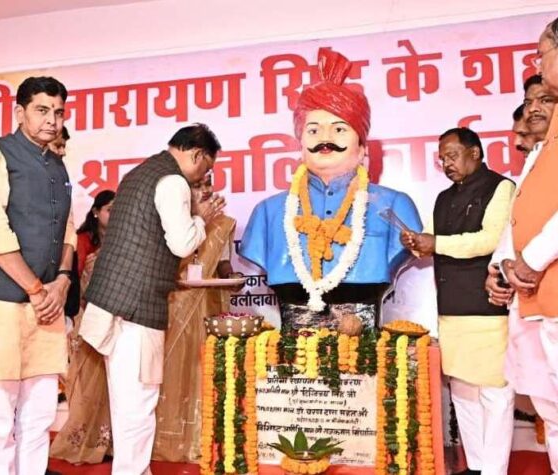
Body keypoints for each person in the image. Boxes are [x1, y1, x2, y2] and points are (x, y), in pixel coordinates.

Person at [239, 48, 421, 331]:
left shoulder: (395, 205)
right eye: (313, 130)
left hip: (363, 341)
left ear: (362, 148)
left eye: (339, 129)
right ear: (301, 146)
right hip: (293, 341)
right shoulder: (267, 213)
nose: (325, 138)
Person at [79, 123, 225, 475]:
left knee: (126, 402)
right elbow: (182, 243)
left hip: (114, 302)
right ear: (197, 155)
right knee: (138, 405)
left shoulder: (138, 173)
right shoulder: (173, 181)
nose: (203, 178)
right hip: (136, 308)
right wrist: (200, 218)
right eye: (206, 168)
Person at [0, 76, 76, 474]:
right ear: (19, 112)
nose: (52, 120)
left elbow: (67, 230)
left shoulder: (57, 163)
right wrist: (37, 289)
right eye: (42, 110)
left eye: (58, 112)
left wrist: (62, 281)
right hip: (1, 302)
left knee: (40, 414)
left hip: (47, 304)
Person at [402, 127, 515, 475]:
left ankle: (494, 469)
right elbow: (432, 241)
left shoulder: (500, 187)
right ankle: (477, 465)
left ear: (475, 153)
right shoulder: (443, 198)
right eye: (442, 159)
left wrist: (435, 243)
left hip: (487, 304)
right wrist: (417, 243)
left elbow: (489, 239)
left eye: (452, 156)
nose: (446, 163)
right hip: (451, 307)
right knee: (463, 390)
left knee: (494, 392)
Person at [487, 72, 558, 473]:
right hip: (533, 302)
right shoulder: (536, 158)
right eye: (529, 101)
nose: (533, 109)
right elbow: (516, 225)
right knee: (551, 409)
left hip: (549, 290)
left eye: (545, 99)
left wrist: (528, 261)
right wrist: (500, 268)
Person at [152, 174, 239, 462]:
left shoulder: (222, 223)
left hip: (207, 306)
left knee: (202, 366)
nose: (205, 190)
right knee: (172, 368)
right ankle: (166, 439)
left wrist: (232, 277)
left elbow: (223, 263)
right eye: (198, 186)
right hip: (174, 304)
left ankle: (199, 438)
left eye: (208, 185)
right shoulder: (172, 220)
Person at [51, 189, 116, 465]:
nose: (114, 214)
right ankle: (83, 442)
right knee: (86, 382)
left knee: (109, 384)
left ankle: (106, 442)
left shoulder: (119, 239)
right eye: (109, 209)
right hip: (85, 318)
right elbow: (73, 280)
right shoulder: (82, 240)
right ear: (96, 212)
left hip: (112, 320)